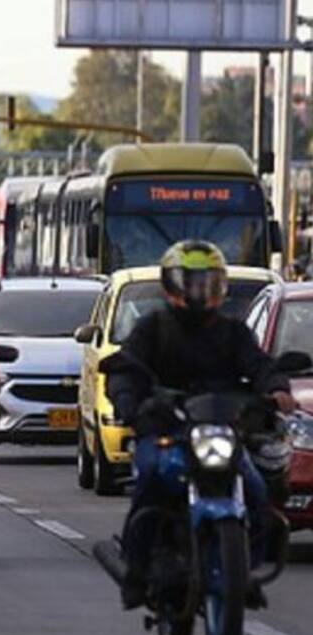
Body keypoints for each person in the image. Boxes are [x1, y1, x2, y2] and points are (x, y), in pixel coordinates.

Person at [105, 240, 296, 609]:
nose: (198, 292)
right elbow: (126, 368)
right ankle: (137, 570)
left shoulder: (233, 332)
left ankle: (246, 570)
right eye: (190, 283)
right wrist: (130, 402)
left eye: (207, 283)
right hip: (167, 428)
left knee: (256, 489)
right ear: (171, 285)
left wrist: (275, 390)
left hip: (219, 429)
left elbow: (259, 365)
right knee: (149, 480)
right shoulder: (152, 328)